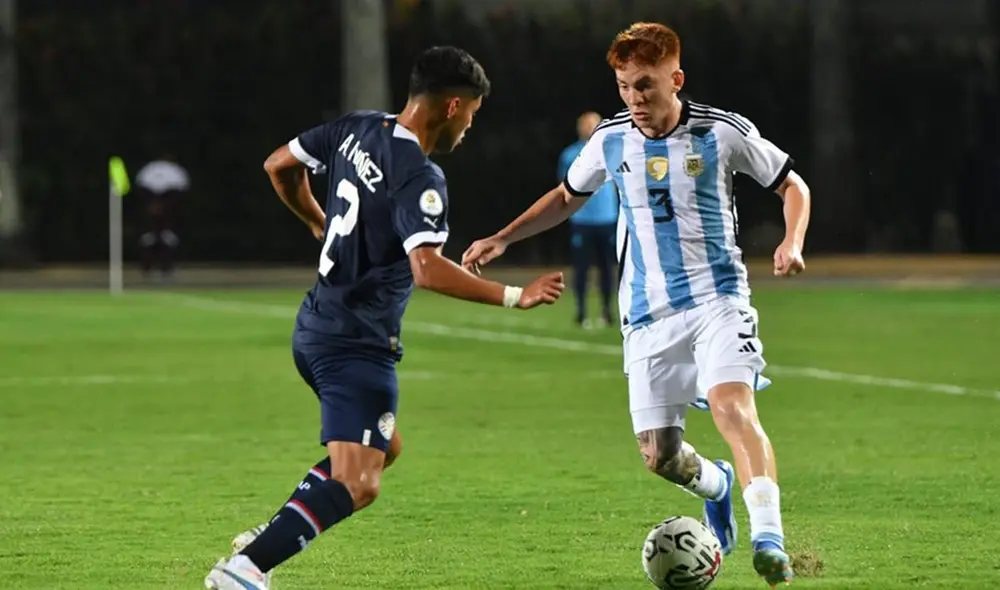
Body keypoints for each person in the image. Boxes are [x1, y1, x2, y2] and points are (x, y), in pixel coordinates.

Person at [462, 23, 810, 587]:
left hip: (718, 298)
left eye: (645, 85)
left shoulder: (721, 133)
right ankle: (719, 487)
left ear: (676, 79)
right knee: (660, 457)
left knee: (730, 408)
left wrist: (791, 241)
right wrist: (505, 238)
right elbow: (565, 197)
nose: (634, 99)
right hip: (647, 315)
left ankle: (769, 539)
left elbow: (792, 185)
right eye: (624, 86)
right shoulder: (611, 139)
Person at [204, 46, 565, 590]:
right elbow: (428, 271)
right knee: (361, 482)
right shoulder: (420, 178)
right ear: (452, 106)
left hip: (315, 325)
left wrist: (315, 221)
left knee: (384, 446)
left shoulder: (358, 128)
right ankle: (245, 570)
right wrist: (516, 295)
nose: (470, 124)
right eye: (472, 112)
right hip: (357, 344)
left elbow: (279, 165)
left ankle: (270, 536)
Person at [557, 112, 619, 328]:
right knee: (581, 268)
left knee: (607, 267)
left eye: (593, 124)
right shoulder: (569, 154)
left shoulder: (613, 151)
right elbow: (562, 188)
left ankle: (607, 311)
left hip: (607, 218)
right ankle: (581, 312)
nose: (589, 128)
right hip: (582, 219)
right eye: (585, 124)